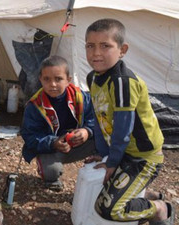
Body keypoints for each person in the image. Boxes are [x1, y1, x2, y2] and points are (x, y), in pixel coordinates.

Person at [85, 18, 175, 224]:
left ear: (122, 50)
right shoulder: (93, 78)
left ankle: (161, 210)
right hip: (123, 151)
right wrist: (103, 154)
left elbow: (123, 129)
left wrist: (113, 162)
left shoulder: (122, 82)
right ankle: (145, 194)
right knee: (104, 195)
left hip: (143, 157)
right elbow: (100, 119)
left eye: (105, 46)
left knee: (108, 209)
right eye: (90, 46)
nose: (96, 53)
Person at [20, 55, 96, 191]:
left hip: (79, 143)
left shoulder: (82, 98)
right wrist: (53, 143)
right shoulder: (35, 105)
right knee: (51, 171)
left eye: (58, 79)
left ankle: (101, 172)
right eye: (47, 79)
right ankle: (47, 170)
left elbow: (97, 119)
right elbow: (30, 136)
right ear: (40, 80)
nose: (53, 84)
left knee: (105, 143)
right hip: (52, 147)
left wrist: (87, 131)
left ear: (68, 80)